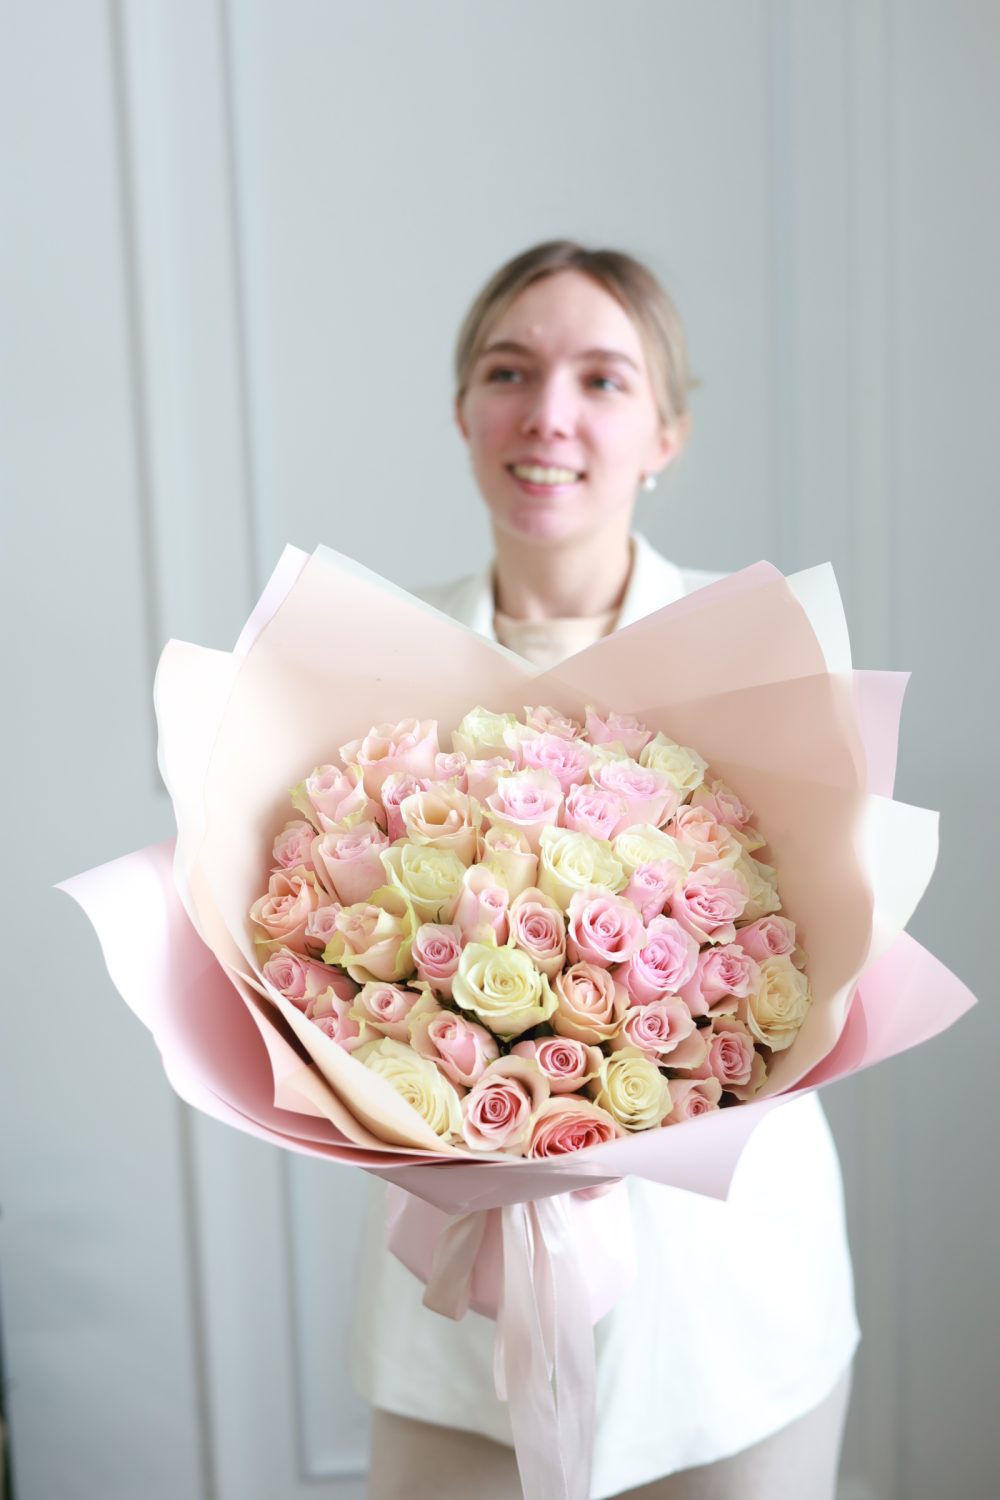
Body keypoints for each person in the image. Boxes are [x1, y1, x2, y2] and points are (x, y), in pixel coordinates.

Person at [353, 241, 858, 1500]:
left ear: (666, 431)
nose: (549, 414)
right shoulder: (361, 668)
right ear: (462, 409)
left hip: (730, 1307)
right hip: (458, 1308)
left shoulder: (761, 660)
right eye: (508, 371)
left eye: (602, 379)